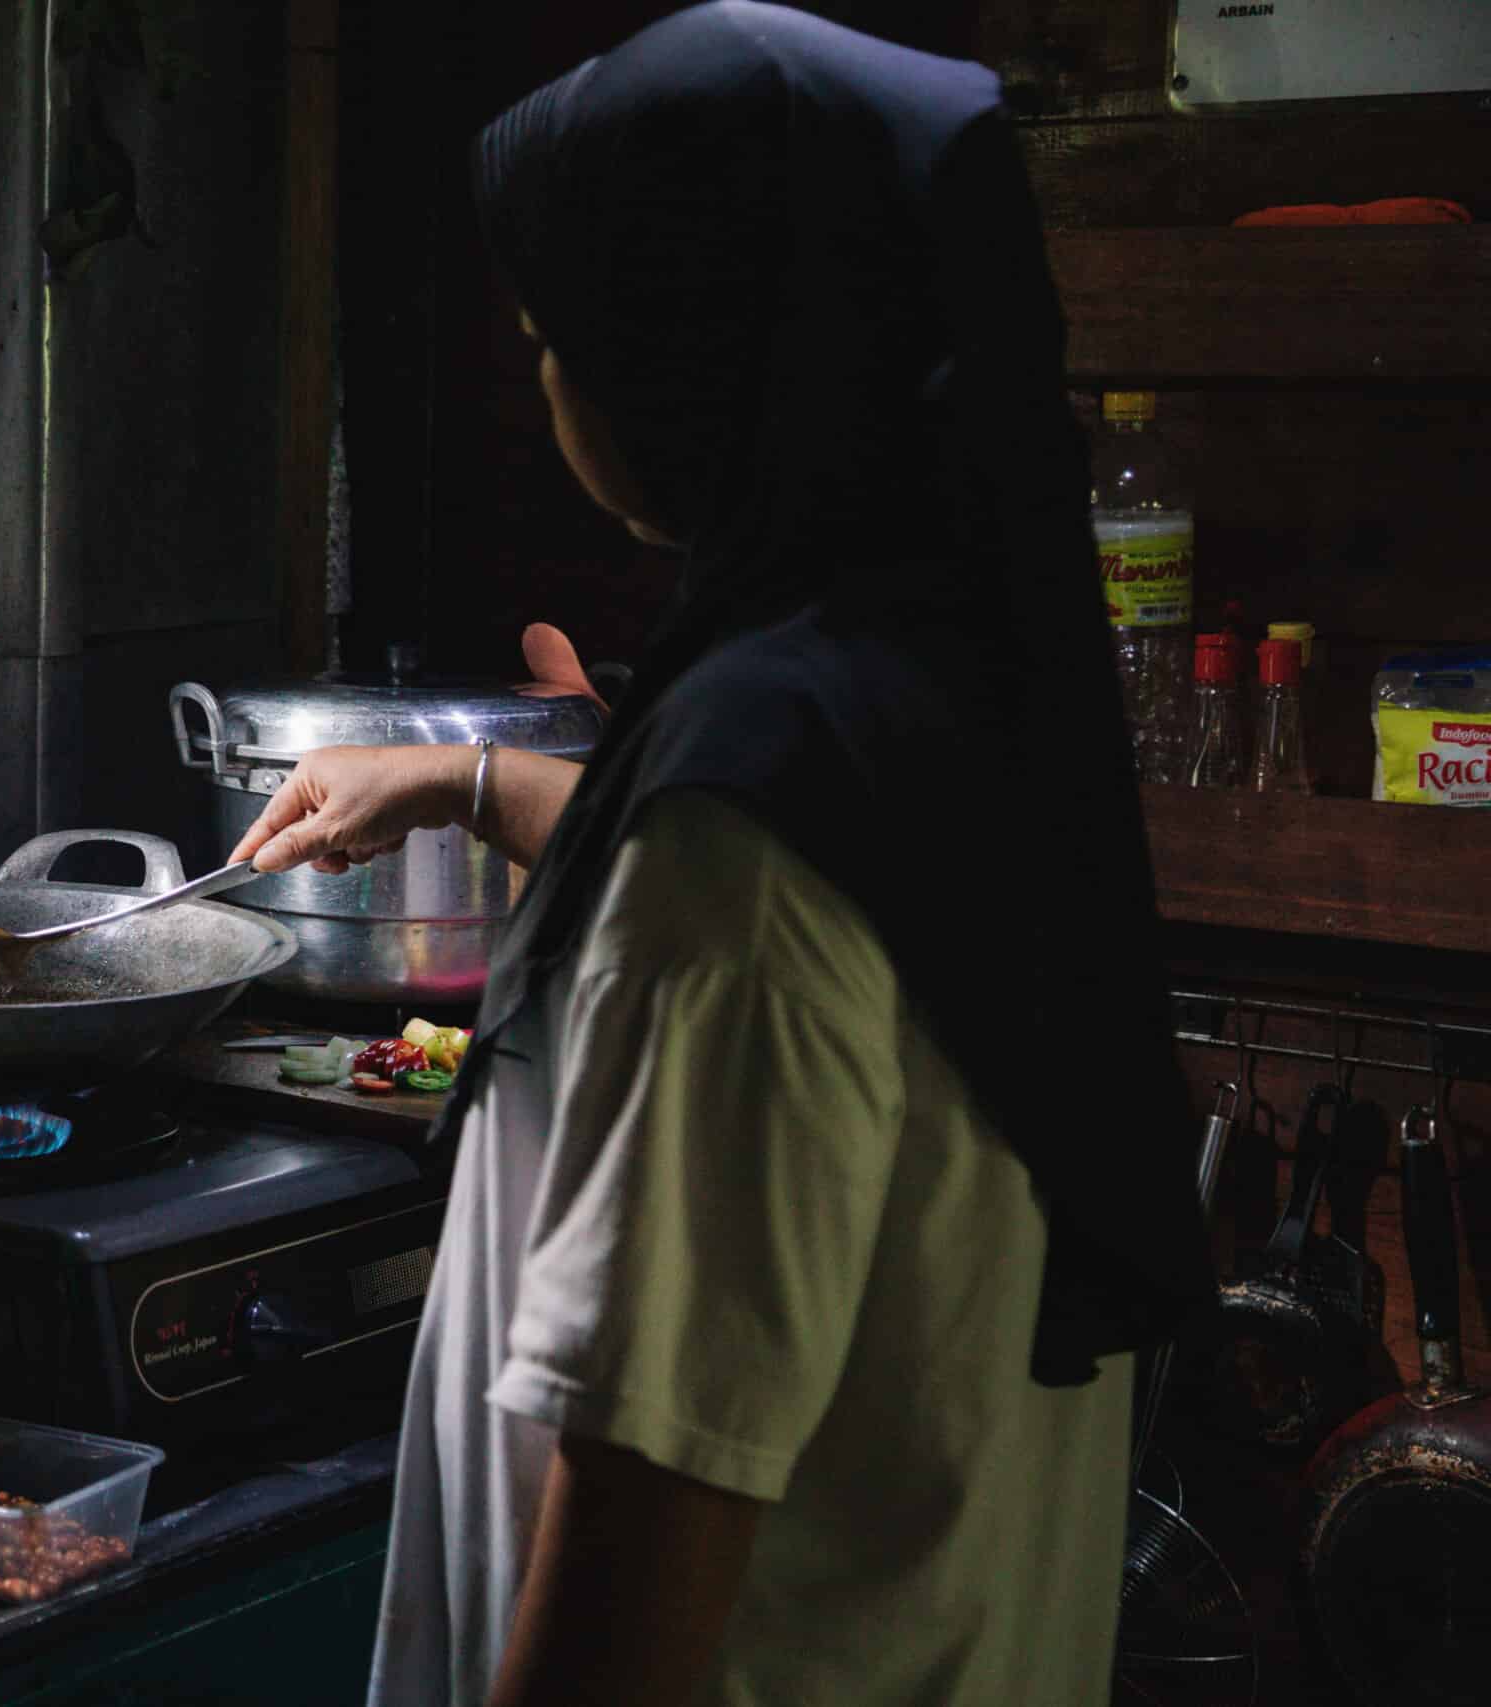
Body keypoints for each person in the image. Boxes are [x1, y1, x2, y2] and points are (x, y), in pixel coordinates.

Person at [227, 7, 1215, 1705]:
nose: (544, 387)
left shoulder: (725, 873)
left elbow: (628, 1606)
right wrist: (466, 781)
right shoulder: (943, 698)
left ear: (696, 362)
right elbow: (817, 921)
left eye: (557, 337)